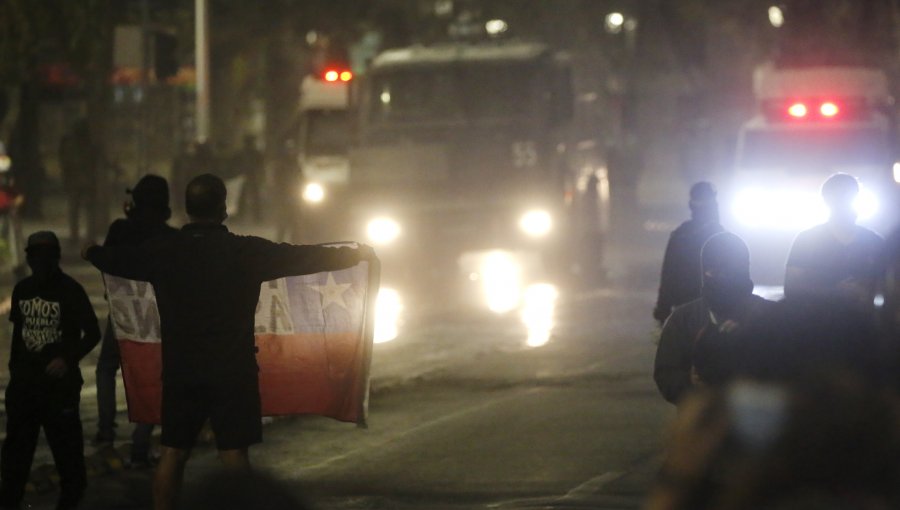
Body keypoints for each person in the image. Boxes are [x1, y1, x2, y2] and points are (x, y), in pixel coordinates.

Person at [82, 174, 374, 510]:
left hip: (181, 371)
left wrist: (92, 251)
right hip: (232, 371)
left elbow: (118, 260)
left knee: (173, 453)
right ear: (223, 209)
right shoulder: (245, 251)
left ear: (187, 209)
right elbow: (300, 257)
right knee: (234, 456)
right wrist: (351, 255)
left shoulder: (164, 252)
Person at [0, 231, 101, 510]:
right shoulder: (23, 290)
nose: (41, 261)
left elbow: (92, 333)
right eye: (37, 255)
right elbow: (19, 336)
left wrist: (66, 359)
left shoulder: (70, 290)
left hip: (59, 389)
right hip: (26, 388)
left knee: (68, 460)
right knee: (15, 462)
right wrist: (16, 376)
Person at [93, 175, 178, 466]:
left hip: (122, 313)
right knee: (156, 376)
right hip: (155, 318)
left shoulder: (120, 229)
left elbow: (105, 261)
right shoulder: (171, 237)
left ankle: (105, 431)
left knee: (106, 368)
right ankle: (141, 441)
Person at [654, 232, 773, 405]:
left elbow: (792, 373)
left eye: (730, 270)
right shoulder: (684, 319)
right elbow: (666, 375)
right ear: (703, 271)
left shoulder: (768, 316)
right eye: (714, 270)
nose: (723, 276)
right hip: (703, 422)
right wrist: (692, 383)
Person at [784, 173, 885, 311]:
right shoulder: (807, 240)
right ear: (828, 201)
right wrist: (834, 292)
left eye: (849, 196)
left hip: (864, 323)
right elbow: (791, 288)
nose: (845, 203)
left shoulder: (874, 242)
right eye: (840, 197)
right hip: (818, 321)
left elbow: (891, 285)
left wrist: (868, 289)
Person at [653, 181, 724, 325]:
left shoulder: (681, 235)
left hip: (684, 308)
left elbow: (668, 274)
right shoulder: (719, 236)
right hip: (713, 310)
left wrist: (663, 309)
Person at [58, 120, 99, 246]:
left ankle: (77, 236)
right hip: (84, 182)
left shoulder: (70, 145)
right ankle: (85, 236)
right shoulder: (89, 144)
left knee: (76, 210)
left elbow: (65, 163)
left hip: (76, 182)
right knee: (85, 210)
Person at [234, 135, 264, 223]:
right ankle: (254, 216)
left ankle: (250, 216)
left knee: (246, 196)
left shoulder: (247, 153)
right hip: (248, 176)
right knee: (245, 196)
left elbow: (260, 165)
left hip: (249, 176)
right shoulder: (254, 153)